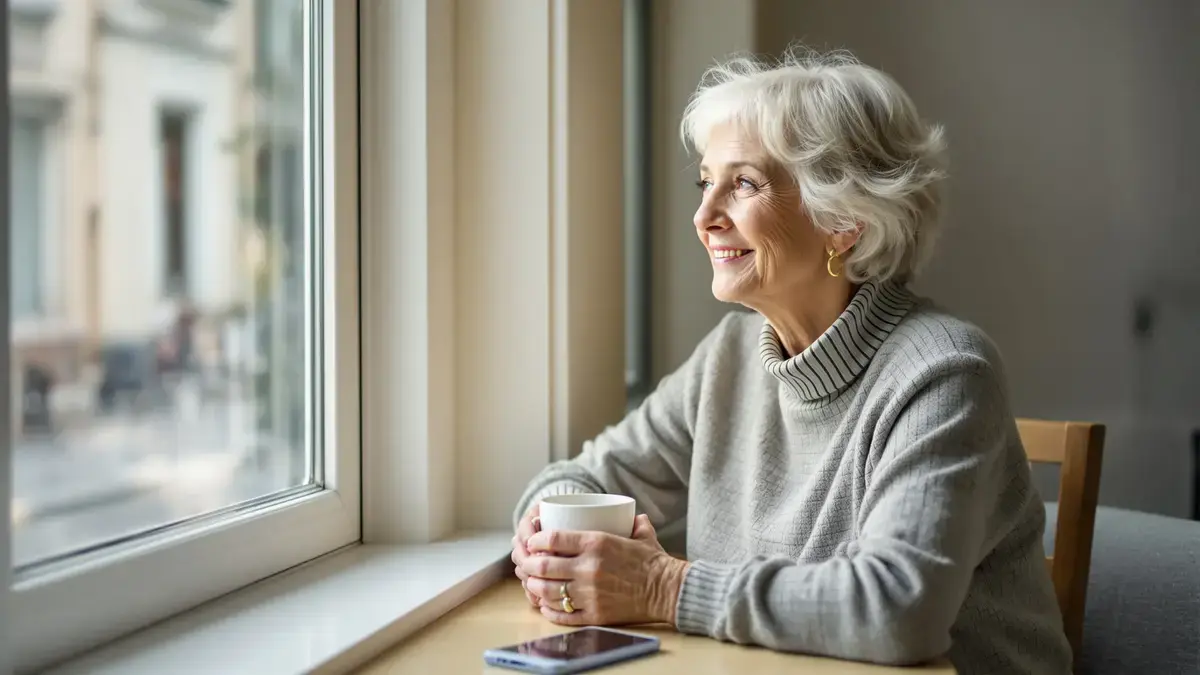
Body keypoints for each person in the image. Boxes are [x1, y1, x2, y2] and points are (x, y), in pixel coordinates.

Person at [510, 47, 1072, 674]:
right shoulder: (727, 358)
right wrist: (552, 543)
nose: (703, 216)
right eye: (705, 182)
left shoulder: (945, 374)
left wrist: (662, 587)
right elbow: (577, 479)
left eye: (743, 184)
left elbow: (897, 610)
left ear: (845, 221)